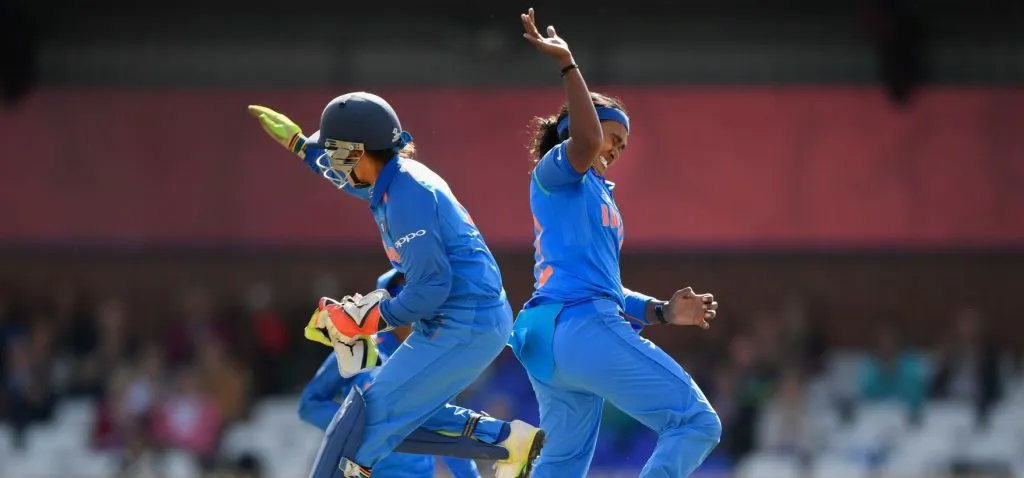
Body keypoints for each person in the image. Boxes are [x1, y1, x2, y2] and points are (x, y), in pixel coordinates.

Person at [248, 94, 544, 478]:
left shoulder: (408, 196)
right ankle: (507, 441)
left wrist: (365, 320)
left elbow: (429, 290)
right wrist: (302, 148)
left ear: (357, 152)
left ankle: (506, 442)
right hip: (462, 322)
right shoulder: (395, 181)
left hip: (465, 324)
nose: (333, 162)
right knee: (388, 416)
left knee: (365, 417)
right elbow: (349, 182)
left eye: (335, 153)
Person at [507, 8, 722, 478]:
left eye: (624, 144)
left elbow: (609, 290)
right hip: (581, 328)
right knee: (696, 422)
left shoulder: (593, 194)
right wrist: (567, 63)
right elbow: (583, 138)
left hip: (548, 340)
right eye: (613, 136)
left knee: (560, 467)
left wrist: (662, 311)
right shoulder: (556, 170)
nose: (617, 149)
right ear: (578, 131)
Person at [299, 269, 484, 478]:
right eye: (401, 292)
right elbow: (310, 405)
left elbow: (450, 431)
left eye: (420, 293)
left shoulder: (434, 358)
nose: (413, 303)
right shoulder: (359, 348)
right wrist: (359, 426)